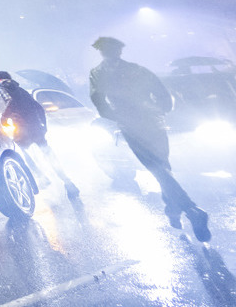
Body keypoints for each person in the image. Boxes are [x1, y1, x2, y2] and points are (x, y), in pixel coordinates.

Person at [89, 36, 210, 242]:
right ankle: (173, 211)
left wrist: (115, 116)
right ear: (118, 51)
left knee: (159, 169)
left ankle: (191, 210)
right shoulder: (135, 69)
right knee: (162, 167)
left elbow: (98, 100)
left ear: (102, 52)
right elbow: (161, 91)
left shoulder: (97, 73)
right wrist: (161, 110)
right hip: (151, 121)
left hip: (134, 124)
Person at [0, 72, 79, 200]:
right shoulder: (20, 89)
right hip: (36, 126)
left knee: (20, 151)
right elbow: (38, 107)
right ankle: (68, 182)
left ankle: (41, 176)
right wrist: (43, 125)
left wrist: (4, 117)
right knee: (48, 153)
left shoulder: (3, 88)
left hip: (23, 128)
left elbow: (10, 101)